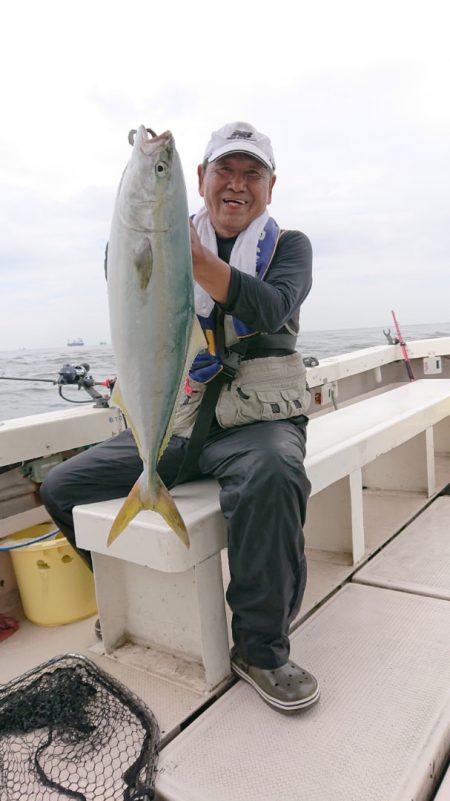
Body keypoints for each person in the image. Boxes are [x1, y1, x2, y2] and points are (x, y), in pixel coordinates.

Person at [40, 121, 319, 713]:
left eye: (252, 174)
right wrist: (149, 233)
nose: (237, 185)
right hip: (181, 422)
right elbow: (126, 277)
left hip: (257, 423)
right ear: (200, 179)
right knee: (63, 487)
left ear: (271, 187)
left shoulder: (291, 246)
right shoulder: (167, 233)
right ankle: (136, 598)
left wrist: (187, 260)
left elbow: (271, 308)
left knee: (275, 473)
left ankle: (261, 649)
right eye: (225, 170)